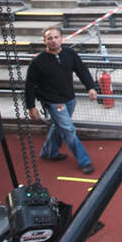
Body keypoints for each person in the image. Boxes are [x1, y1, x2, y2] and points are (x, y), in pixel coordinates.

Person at [25, 25, 98, 174]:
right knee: (68, 130)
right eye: (49, 38)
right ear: (44, 41)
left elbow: (81, 70)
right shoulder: (37, 62)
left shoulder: (70, 54)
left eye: (56, 37)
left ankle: (49, 152)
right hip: (53, 102)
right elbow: (30, 85)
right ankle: (85, 161)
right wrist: (31, 106)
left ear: (61, 38)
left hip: (70, 99)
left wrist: (91, 87)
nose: (53, 41)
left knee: (59, 126)